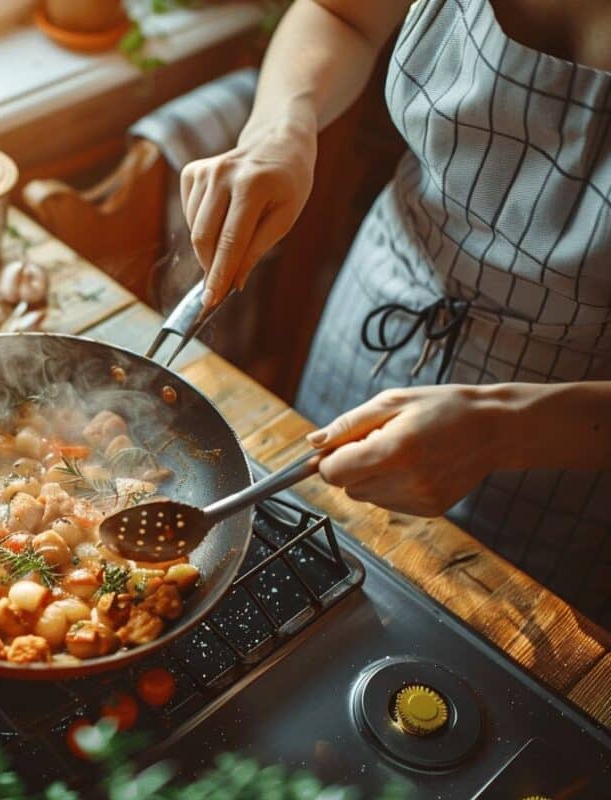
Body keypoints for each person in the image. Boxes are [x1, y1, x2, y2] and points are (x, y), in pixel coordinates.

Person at [178, 0, 611, 626]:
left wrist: (502, 428)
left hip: (565, 441)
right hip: (385, 304)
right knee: (310, 574)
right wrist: (283, 124)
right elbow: (342, 14)